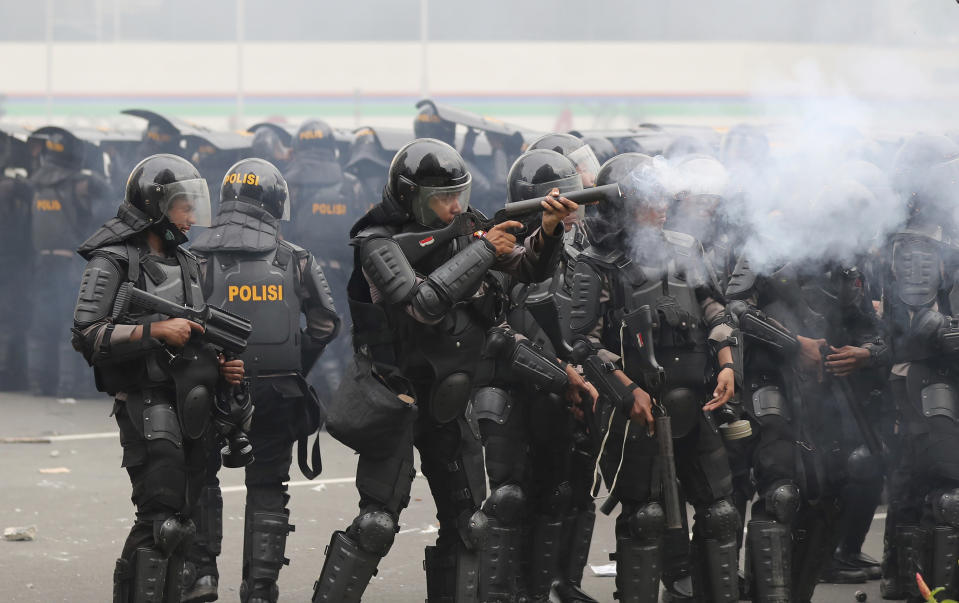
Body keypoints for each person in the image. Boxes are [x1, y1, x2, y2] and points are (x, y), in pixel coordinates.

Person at [311, 137, 576, 602]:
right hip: (393, 399)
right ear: (410, 196)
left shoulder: (467, 227)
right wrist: (483, 250)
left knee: (472, 525)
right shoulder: (377, 243)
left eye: (460, 195)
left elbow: (527, 268)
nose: (455, 207)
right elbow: (423, 303)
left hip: (449, 403)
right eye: (442, 198)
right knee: (375, 526)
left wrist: (548, 231)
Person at [71, 154, 245, 602]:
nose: (191, 220)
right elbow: (88, 335)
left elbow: (194, 339)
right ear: (156, 207)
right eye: (183, 209)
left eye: (193, 209)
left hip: (191, 405)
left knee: (183, 527)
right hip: (146, 405)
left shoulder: (187, 263)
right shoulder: (113, 260)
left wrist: (221, 366)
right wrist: (155, 330)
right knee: (160, 525)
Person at [570, 155, 741, 603]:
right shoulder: (596, 264)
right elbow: (583, 344)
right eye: (650, 199)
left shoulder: (686, 247)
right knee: (645, 518)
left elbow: (715, 308)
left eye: (665, 196)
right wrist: (627, 390)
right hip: (637, 414)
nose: (662, 206)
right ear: (623, 206)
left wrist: (726, 364)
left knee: (720, 514)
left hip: (696, 402)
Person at [180, 158, 341, 602]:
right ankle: (261, 587)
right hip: (276, 392)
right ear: (273, 203)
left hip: (210, 389)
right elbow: (327, 324)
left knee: (204, 479)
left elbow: (180, 322)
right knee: (269, 486)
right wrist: (294, 362)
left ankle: (202, 577)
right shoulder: (297, 259)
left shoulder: (195, 257)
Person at [473, 148, 599, 603]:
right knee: (507, 500)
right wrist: (562, 377)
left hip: (560, 395)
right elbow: (497, 336)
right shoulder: (498, 247)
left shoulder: (578, 251)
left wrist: (584, 373)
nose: (569, 213)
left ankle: (539, 592)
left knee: (557, 496)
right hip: (506, 392)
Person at [30, 126, 111, 397]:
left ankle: (39, 383)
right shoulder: (83, 183)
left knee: (42, 326)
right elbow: (106, 206)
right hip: (69, 266)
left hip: (42, 263)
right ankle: (68, 385)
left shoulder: (37, 183)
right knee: (72, 326)